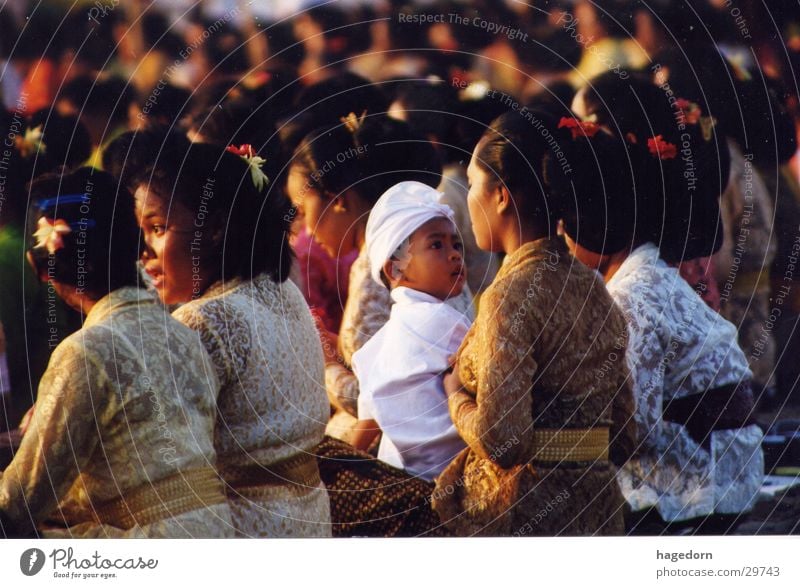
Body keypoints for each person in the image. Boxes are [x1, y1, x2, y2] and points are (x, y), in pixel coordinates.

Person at [560, 98, 764, 533]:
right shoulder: (646, 272)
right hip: (725, 469)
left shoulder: (632, 295)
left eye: (569, 221)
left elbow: (636, 427)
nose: (561, 232)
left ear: (596, 222)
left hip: (705, 486)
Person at [433, 111, 636, 536]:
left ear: (502, 196)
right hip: (599, 512)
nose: (468, 200)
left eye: (472, 185)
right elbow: (624, 434)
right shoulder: (593, 286)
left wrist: (456, 395)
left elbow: (504, 442)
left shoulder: (509, 296)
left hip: (527, 515)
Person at [0, 168, 233, 538]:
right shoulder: (185, 335)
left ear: (42, 267)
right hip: (218, 533)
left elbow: (20, 500)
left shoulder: (85, 352)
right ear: (136, 248)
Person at [132, 142, 331, 538]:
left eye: (157, 229)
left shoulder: (203, 320)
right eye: (139, 232)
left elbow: (158, 458)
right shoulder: (278, 286)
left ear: (216, 227)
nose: (143, 252)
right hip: (307, 521)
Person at [351, 181, 469, 482]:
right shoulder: (445, 322)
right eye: (436, 245)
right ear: (396, 270)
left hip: (400, 482)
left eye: (455, 244)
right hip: (452, 480)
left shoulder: (378, 345)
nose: (454, 254)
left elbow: (367, 427)